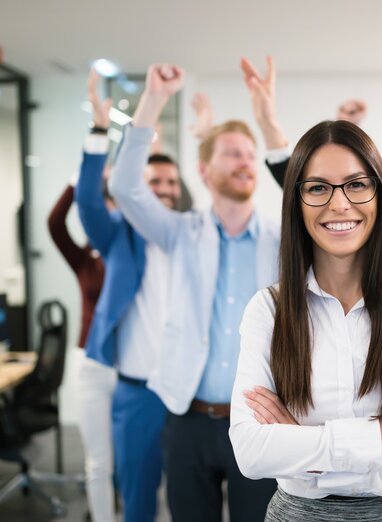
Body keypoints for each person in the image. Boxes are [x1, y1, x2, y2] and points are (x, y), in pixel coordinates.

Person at [229, 119, 382, 521]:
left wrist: (308, 457)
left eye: (357, 184)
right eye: (318, 187)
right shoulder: (268, 310)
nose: (339, 203)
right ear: (296, 201)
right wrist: (380, 436)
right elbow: (251, 452)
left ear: (379, 195)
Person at [108, 63, 278, 522]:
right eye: (232, 153)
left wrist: (266, 120)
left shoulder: (283, 241)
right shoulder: (181, 233)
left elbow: (306, 192)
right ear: (203, 170)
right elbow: (125, 186)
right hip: (186, 418)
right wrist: (154, 100)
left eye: (249, 153)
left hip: (260, 423)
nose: (245, 160)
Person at [75, 71, 185, 522]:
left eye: (170, 183)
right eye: (153, 182)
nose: (163, 190)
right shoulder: (118, 234)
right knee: (137, 498)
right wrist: (100, 133)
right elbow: (87, 202)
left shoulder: (191, 236)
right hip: (137, 392)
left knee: (188, 500)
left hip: (186, 396)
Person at [47, 116, 113, 522]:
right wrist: (82, 176)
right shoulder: (83, 258)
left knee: (127, 458)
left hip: (127, 366)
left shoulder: (132, 255)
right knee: (97, 460)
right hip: (88, 363)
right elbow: (54, 224)